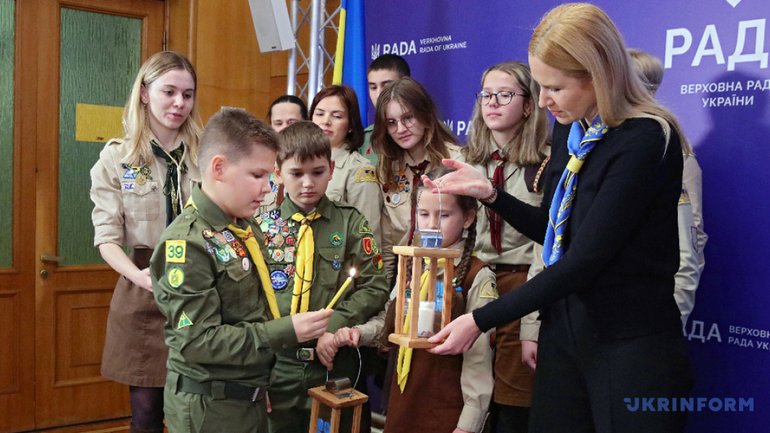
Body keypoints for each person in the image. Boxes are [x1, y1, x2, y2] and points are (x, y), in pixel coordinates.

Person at [425, 4, 692, 432]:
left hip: (629, 342)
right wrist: (491, 194)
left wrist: (480, 319)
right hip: (566, 331)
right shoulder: (572, 129)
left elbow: (584, 260)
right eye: (540, 86)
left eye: (555, 88)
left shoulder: (644, 140)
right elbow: (553, 230)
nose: (544, 101)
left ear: (598, 74)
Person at [150, 108, 333, 433]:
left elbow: (248, 312)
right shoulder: (188, 242)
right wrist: (286, 331)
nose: (268, 187)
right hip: (211, 406)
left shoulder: (242, 227)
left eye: (270, 175)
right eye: (257, 175)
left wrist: (258, 384)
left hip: (245, 394)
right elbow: (198, 341)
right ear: (218, 168)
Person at [333, 167, 498, 433]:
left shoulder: (476, 276)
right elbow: (394, 321)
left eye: (444, 215)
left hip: (445, 408)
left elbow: (478, 361)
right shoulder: (410, 266)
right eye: (424, 214)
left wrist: (469, 425)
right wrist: (358, 333)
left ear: (468, 218)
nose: (431, 224)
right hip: (405, 402)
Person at [89, 51, 202, 433]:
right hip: (144, 289)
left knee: (196, 408)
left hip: (199, 289)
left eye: (187, 94)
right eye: (169, 91)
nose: (179, 104)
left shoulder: (206, 155)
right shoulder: (116, 158)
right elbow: (106, 238)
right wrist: (138, 278)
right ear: (143, 92)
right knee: (148, 414)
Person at [261, 121, 389, 433]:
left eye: (317, 172)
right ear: (277, 173)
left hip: (333, 364)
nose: (308, 183)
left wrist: (330, 325)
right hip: (278, 367)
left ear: (331, 169)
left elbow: (375, 284)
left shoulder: (350, 224)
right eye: (296, 173)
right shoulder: (261, 227)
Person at [463, 61, 551, 433]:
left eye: (505, 95)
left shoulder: (546, 163)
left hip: (523, 284)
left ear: (529, 105)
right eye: (486, 94)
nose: (492, 103)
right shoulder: (468, 160)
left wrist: (532, 324)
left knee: (514, 402)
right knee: (470, 396)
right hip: (474, 282)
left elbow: (544, 247)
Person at [628, 48, 708, 326]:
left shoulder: (675, 151)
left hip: (652, 315)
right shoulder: (596, 143)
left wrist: (674, 317)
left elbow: (690, 245)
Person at [372, 77, 461, 283]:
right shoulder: (387, 169)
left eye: (408, 118)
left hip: (447, 271)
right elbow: (388, 241)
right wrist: (387, 288)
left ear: (426, 115)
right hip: (404, 272)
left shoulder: (456, 162)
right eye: (391, 123)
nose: (401, 129)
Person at [309, 85, 382, 244]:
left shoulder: (359, 170)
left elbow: (367, 235)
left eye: (336, 116)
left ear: (350, 125)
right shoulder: (299, 162)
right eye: (319, 114)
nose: (325, 121)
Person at [360, 54, 412, 166]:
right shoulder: (364, 140)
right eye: (373, 87)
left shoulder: (427, 132)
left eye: (387, 86)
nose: (379, 94)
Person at [261, 95, 310, 213]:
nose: (284, 128)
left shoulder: (316, 166)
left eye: (291, 122)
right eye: (278, 123)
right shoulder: (259, 166)